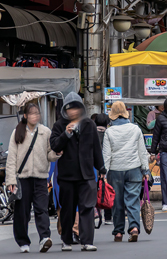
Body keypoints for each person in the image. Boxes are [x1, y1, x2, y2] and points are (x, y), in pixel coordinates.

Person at [50, 92, 106, 252]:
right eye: (70, 109)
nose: (73, 112)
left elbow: (96, 148)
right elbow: (54, 146)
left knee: (87, 208)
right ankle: (66, 240)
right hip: (67, 176)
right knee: (67, 210)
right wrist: (66, 134)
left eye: (76, 108)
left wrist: (101, 168)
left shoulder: (89, 124)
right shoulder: (59, 125)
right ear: (65, 110)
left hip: (87, 174)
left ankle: (87, 241)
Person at [7, 103, 60, 253]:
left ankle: (45, 238)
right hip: (22, 178)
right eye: (32, 113)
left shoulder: (45, 132)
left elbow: (49, 154)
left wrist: (57, 154)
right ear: (25, 116)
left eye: (37, 113)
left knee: (42, 209)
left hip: (40, 177)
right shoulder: (17, 132)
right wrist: (11, 180)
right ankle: (23, 241)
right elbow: (12, 158)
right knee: (22, 212)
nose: (35, 116)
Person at [102, 101, 151, 242]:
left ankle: (118, 232)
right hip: (134, 169)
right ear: (125, 113)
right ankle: (134, 228)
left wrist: (104, 173)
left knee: (117, 202)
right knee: (133, 200)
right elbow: (142, 151)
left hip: (115, 170)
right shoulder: (135, 129)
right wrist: (145, 170)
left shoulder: (109, 132)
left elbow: (107, 154)